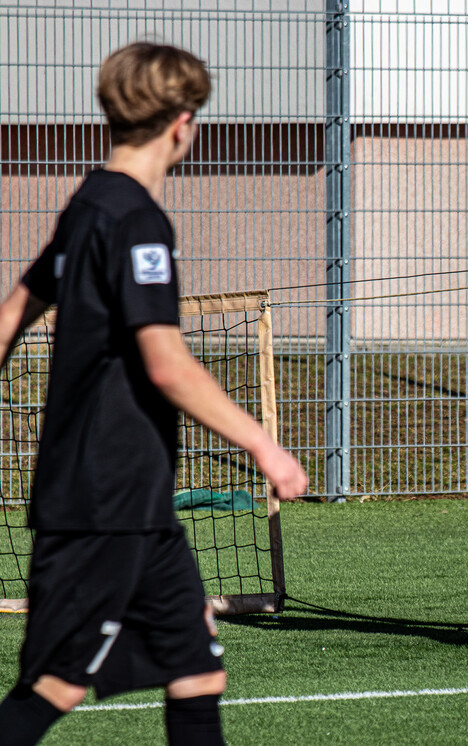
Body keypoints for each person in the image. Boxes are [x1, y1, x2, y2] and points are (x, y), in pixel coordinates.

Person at [0, 42, 308, 744]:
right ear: (180, 121)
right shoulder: (137, 220)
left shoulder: (89, 203)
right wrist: (265, 445)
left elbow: (14, 309)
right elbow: (166, 362)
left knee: (194, 664)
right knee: (56, 683)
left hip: (136, 503)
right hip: (105, 500)